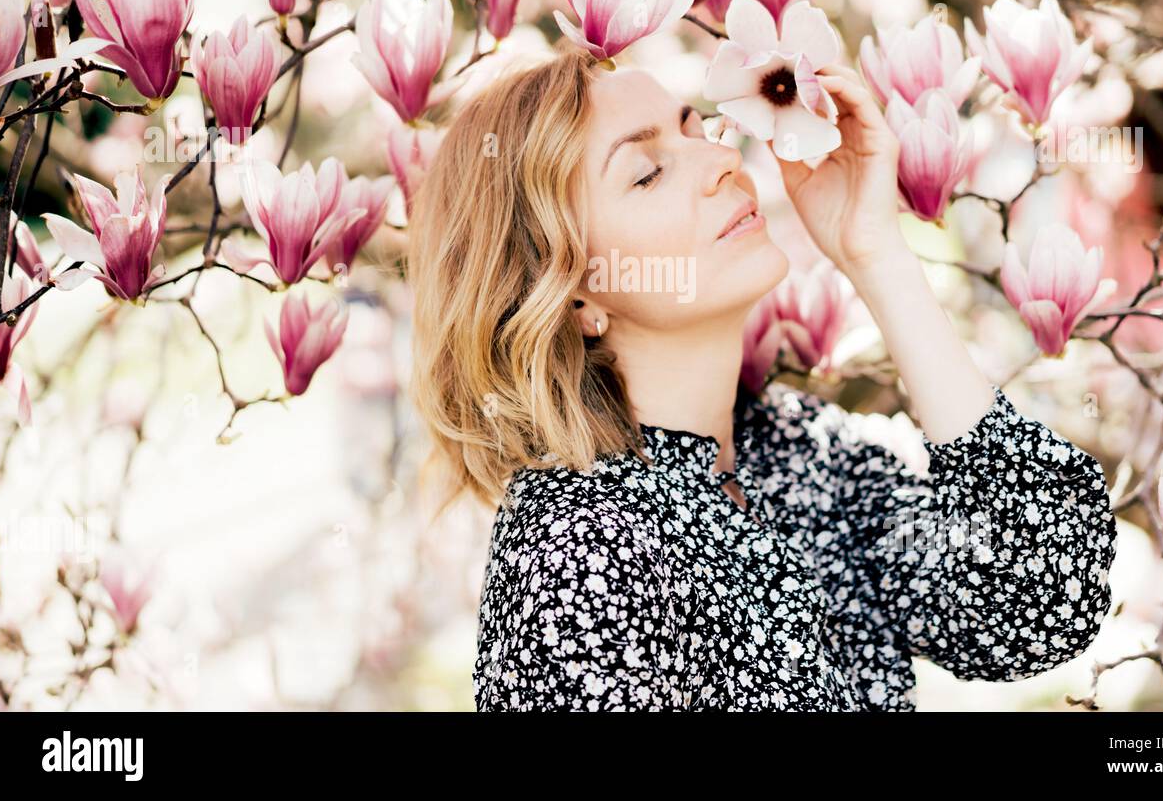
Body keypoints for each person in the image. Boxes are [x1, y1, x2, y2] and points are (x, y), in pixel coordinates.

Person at [406, 45, 1118, 711]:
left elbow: (1038, 596)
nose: (721, 161)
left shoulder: (801, 452)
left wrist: (876, 257)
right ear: (574, 295)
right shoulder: (573, 555)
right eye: (648, 172)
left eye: (696, 128)